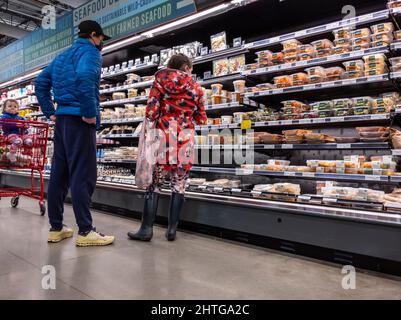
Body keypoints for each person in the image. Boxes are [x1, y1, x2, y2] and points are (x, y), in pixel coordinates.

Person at [35, 20, 114, 246]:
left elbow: (40, 82)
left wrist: (51, 112)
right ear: (92, 35)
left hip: (62, 121)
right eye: (101, 39)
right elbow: (85, 77)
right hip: (80, 121)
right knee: (83, 174)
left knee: (60, 173)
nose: (101, 44)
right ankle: (86, 231)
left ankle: (56, 228)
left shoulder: (62, 56)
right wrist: (89, 112)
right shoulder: (90, 52)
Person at [128, 53, 207, 242]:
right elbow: (202, 118)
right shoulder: (196, 88)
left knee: (154, 184)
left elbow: (151, 112)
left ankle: (146, 230)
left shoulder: (159, 82)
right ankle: (172, 231)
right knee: (179, 185)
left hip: (163, 138)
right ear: (186, 67)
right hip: (185, 139)